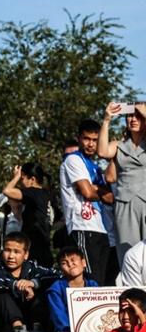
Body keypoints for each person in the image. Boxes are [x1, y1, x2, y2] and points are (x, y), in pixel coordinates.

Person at [61, 120, 115, 284]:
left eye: (95, 140)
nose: (91, 144)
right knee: (92, 281)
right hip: (82, 227)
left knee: (106, 281)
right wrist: (96, 190)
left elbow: (111, 198)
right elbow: (87, 192)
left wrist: (96, 188)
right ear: (79, 138)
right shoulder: (73, 160)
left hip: (102, 229)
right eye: (87, 139)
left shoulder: (96, 167)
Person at [0, 232, 57, 332]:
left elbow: (56, 275)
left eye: (16, 252)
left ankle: (37, 329)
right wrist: (15, 285)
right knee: (0, 292)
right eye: (7, 250)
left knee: (42, 289)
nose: (11, 256)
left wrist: (33, 283)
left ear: (25, 255)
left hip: (32, 321)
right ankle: (18, 329)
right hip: (6, 325)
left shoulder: (32, 267)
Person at [46, 246, 98, 332]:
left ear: (84, 263)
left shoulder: (94, 286)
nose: (70, 264)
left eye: (73, 260)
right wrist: (75, 331)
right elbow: (59, 318)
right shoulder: (55, 288)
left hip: (92, 330)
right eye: (64, 262)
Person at [100, 102, 146, 261]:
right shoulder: (119, 145)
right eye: (130, 115)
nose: (133, 119)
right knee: (128, 252)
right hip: (124, 202)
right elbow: (102, 151)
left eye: (138, 116)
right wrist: (107, 119)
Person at [1, 163, 54, 267]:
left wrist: (16, 177)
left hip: (34, 245)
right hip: (45, 244)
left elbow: (7, 191)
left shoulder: (33, 192)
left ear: (32, 179)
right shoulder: (47, 194)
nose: (21, 183)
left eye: (23, 179)